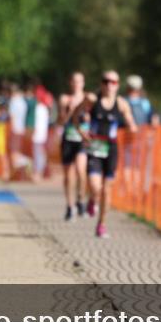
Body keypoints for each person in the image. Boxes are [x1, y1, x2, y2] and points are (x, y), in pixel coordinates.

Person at [77, 70, 138, 237]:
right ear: (101, 83)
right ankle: (92, 199)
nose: (109, 85)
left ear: (118, 85)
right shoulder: (92, 99)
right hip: (95, 147)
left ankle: (101, 224)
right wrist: (82, 132)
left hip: (111, 149)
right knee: (96, 187)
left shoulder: (122, 104)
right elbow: (76, 115)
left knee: (107, 189)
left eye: (114, 82)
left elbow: (131, 123)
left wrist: (133, 129)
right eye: (106, 81)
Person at [59, 72, 90, 221]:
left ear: (83, 83)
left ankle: (81, 199)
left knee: (80, 170)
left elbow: (92, 119)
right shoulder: (65, 99)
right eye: (74, 81)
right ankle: (70, 206)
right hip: (68, 138)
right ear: (70, 83)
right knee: (68, 176)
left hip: (81, 140)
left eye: (80, 81)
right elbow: (60, 122)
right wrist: (71, 110)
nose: (77, 84)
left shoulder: (88, 99)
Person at [31, 86, 52, 181]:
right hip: (43, 135)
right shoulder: (44, 108)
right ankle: (40, 172)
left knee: (38, 154)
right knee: (40, 154)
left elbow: (37, 123)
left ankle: (38, 173)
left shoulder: (38, 108)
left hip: (38, 136)